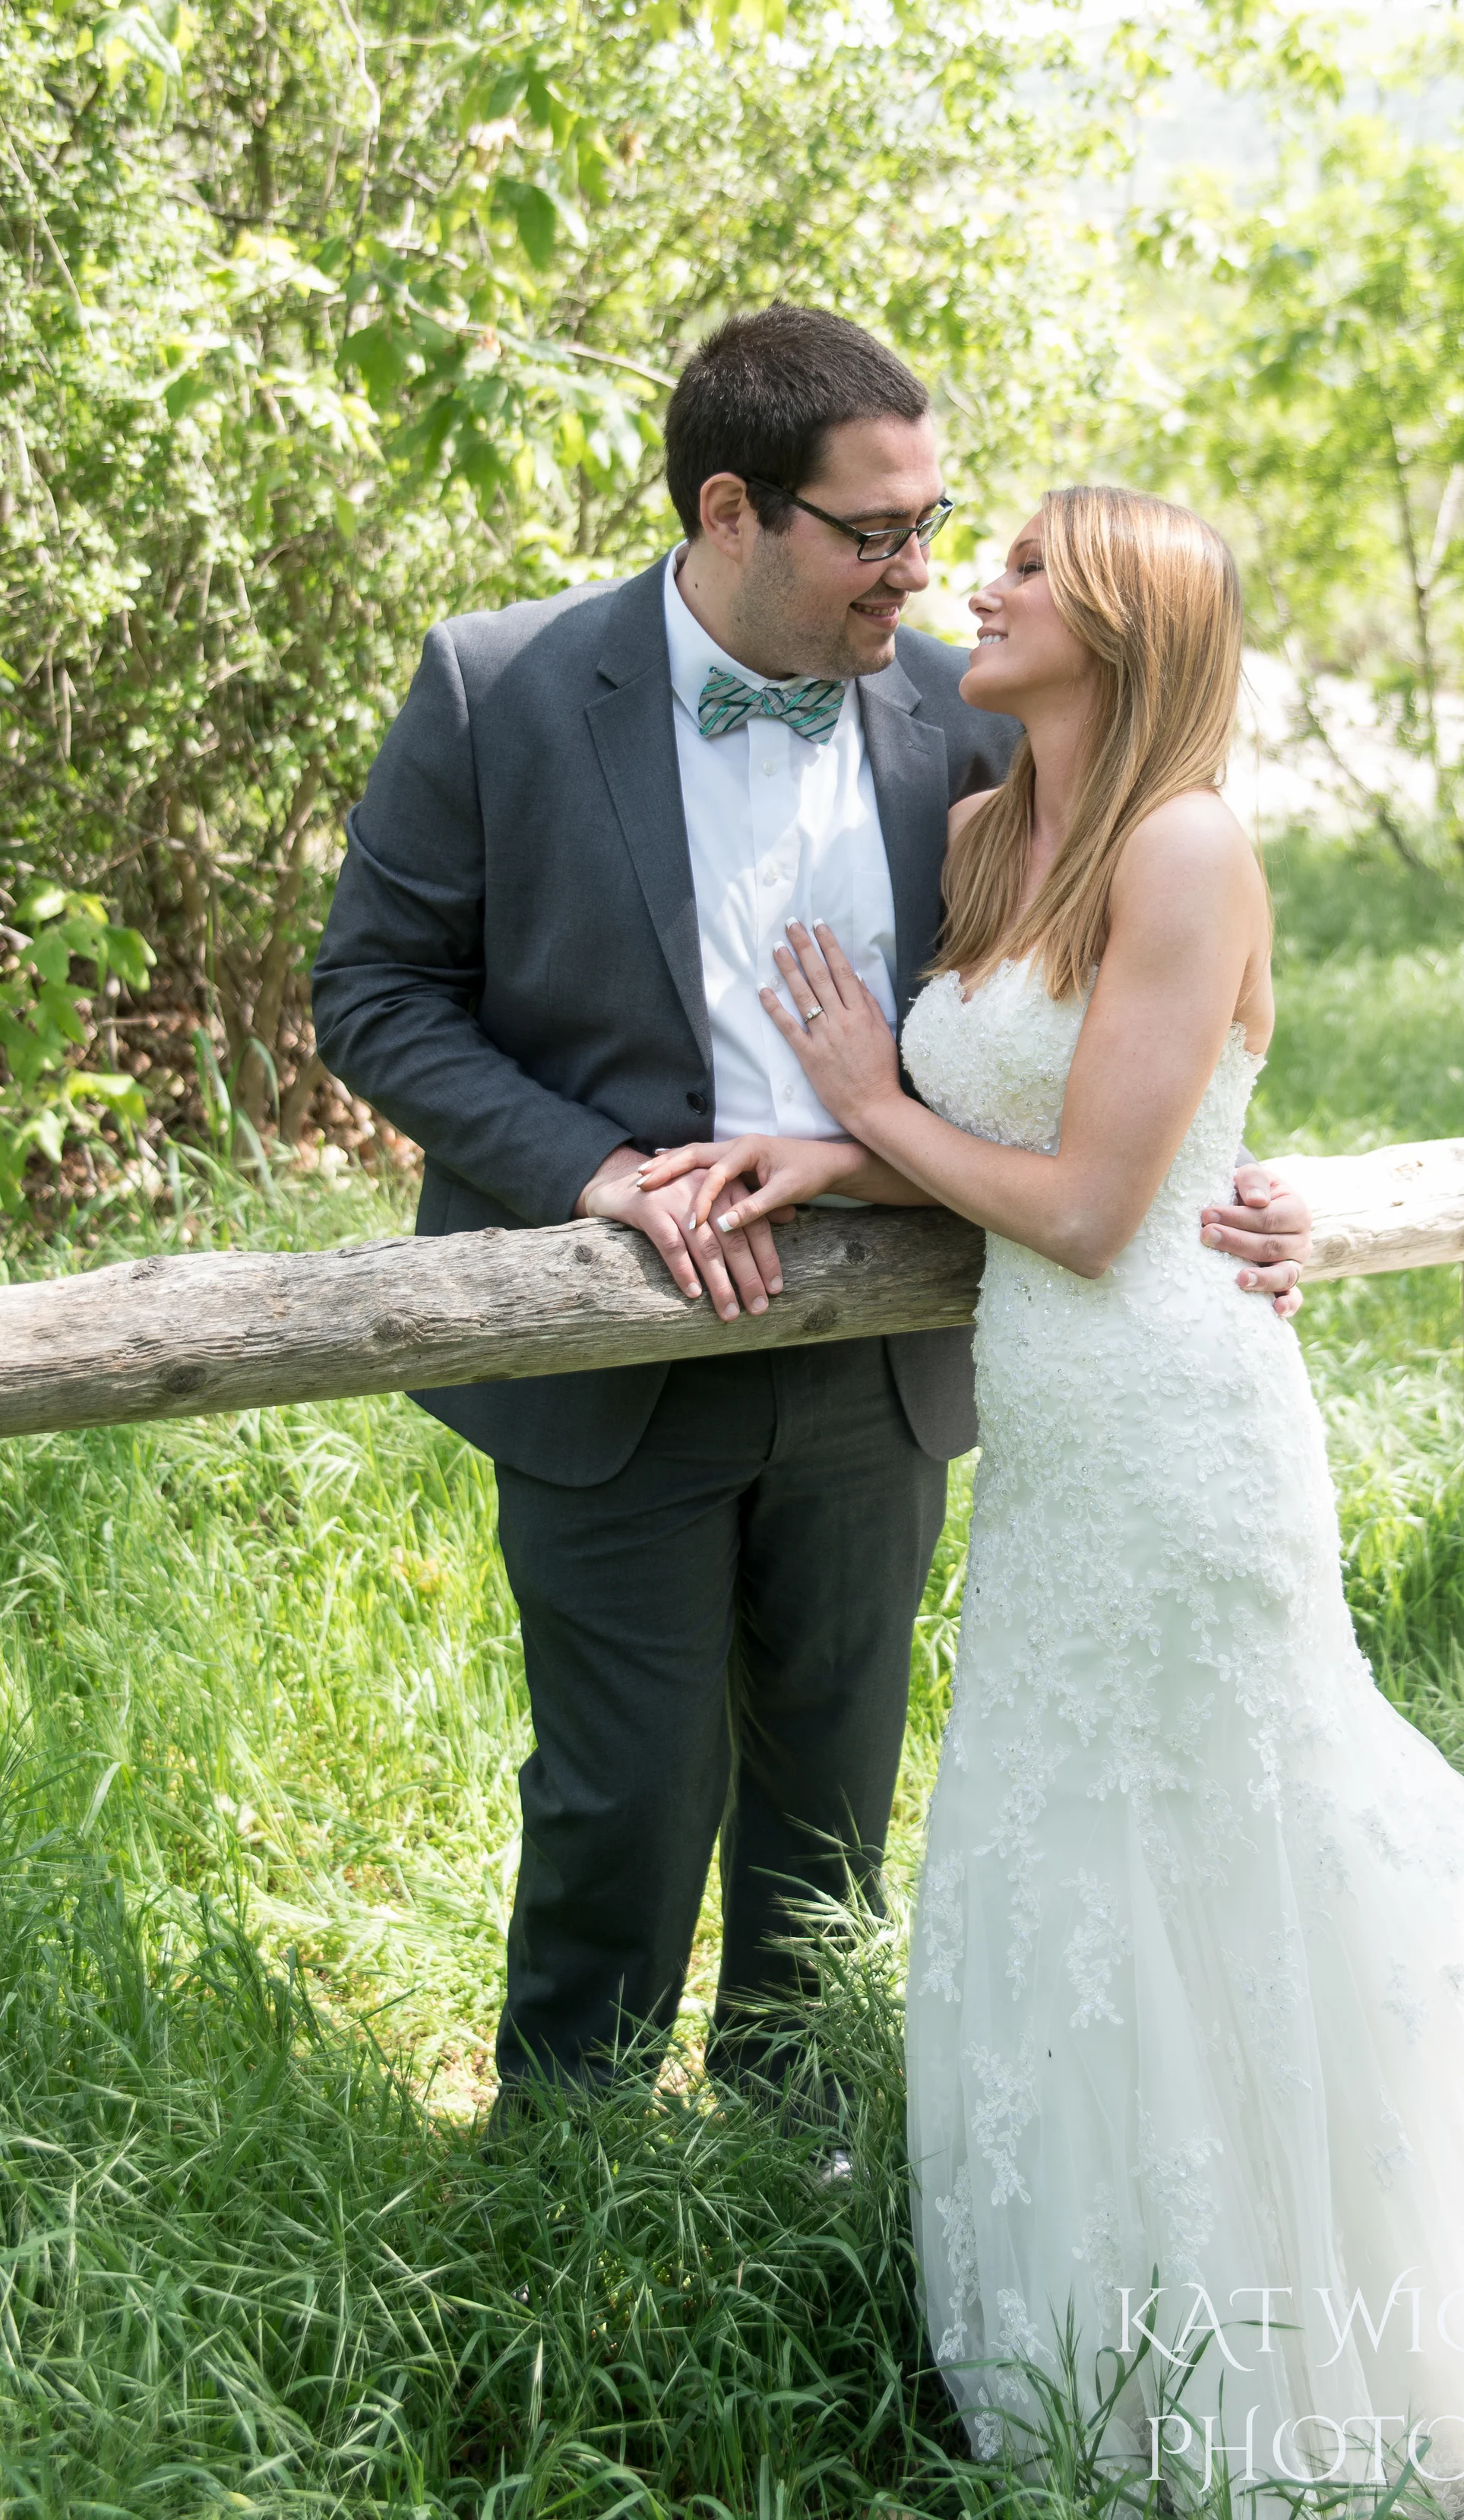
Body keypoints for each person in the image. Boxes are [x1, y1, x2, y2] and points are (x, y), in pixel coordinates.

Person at [640, 483, 1464, 2520]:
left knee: (1231, 1849)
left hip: (1181, 1423)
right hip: (1051, 1442)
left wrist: (865, 1102)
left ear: (1122, 629)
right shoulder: (985, 837)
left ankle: (1317, 2324)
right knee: (1065, 1854)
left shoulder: (1186, 845)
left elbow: (1084, 1204)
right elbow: (1002, 1126)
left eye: (1033, 565)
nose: (989, 582)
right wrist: (832, 1159)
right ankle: (1101, 2338)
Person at [309, 312, 1312, 2107]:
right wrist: (590, 1173)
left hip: (895, 1352)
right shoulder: (499, 686)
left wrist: (1240, 1186)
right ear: (729, 511)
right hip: (616, 1348)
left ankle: (805, 2158)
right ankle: (568, 2189)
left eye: (936, 524)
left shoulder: (966, 713)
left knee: (833, 1811)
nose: (918, 572)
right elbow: (375, 995)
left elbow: (1107, 998)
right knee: (619, 1800)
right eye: (874, 534)